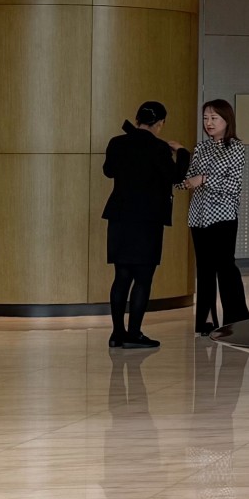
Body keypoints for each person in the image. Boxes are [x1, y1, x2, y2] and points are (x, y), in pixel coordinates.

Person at [101, 101, 191, 349]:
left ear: (137, 119)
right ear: (160, 123)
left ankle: (117, 333)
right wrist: (182, 152)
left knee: (121, 276)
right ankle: (134, 333)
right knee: (142, 278)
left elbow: (108, 171)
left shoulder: (116, 142)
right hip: (148, 220)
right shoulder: (159, 148)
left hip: (120, 217)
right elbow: (176, 176)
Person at [182, 98, 249, 338]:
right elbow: (187, 180)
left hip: (223, 216)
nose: (209, 123)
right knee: (204, 269)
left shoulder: (236, 147)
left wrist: (204, 179)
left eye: (214, 118)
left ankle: (237, 320)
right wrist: (182, 163)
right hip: (198, 217)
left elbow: (233, 185)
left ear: (226, 120)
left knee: (226, 267)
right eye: (205, 118)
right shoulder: (200, 148)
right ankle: (207, 320)